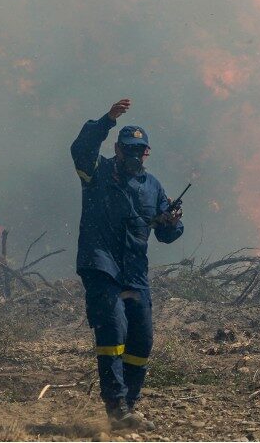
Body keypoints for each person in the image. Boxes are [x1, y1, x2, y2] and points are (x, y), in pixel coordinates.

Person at [70, 98, 184, 428]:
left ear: (146, 154)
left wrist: (171, 221)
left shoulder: (152, 187)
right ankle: (116, 406)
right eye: (129, 150)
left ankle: (130, 405)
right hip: (101, 265)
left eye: (140, 152)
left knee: (142, 339)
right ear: (118, 150)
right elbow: (80, 148)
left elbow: (168, 234)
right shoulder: (95, 172)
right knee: (113, 328)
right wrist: (106, 120)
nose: (134, 157)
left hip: (135, 273)